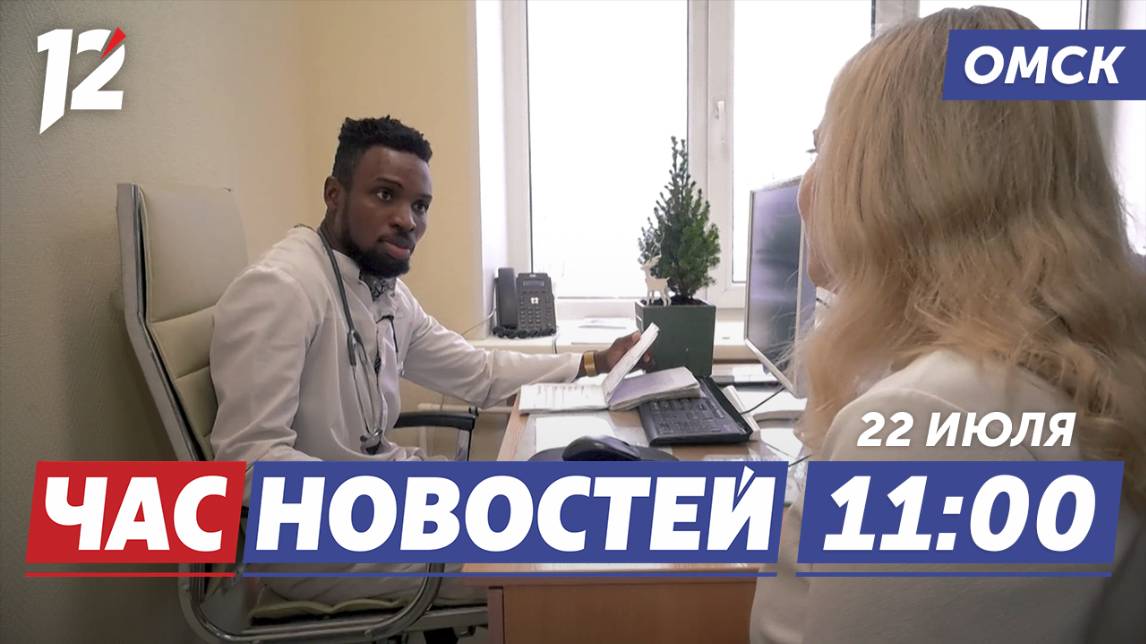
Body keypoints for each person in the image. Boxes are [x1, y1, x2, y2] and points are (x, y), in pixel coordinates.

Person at [751, 7, 1146, 643]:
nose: (807, 188)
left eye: (824, 152)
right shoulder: (1043, 372)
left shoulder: (930, 421)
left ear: (896, 186)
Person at [210, 116, 649, 606]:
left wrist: (593, 362)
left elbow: (479, 373)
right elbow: (248, 462)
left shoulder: (381, 290)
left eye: (420, 206)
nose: (407, 220)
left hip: (384, 498)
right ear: (334, 194)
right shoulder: (283, 288)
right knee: (571, 544)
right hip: (320, 541)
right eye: (385, 195)